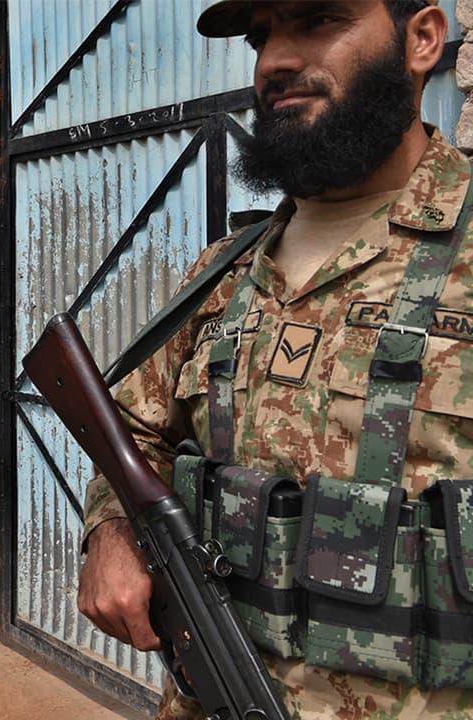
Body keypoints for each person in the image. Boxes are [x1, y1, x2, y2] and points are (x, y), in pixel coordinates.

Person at [77, 1, 472, 718]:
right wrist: (109, 531)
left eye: (318, 19)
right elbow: (131, 434)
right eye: (263, 36)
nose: (274, 62)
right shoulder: (223, 274)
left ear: (422, 39)